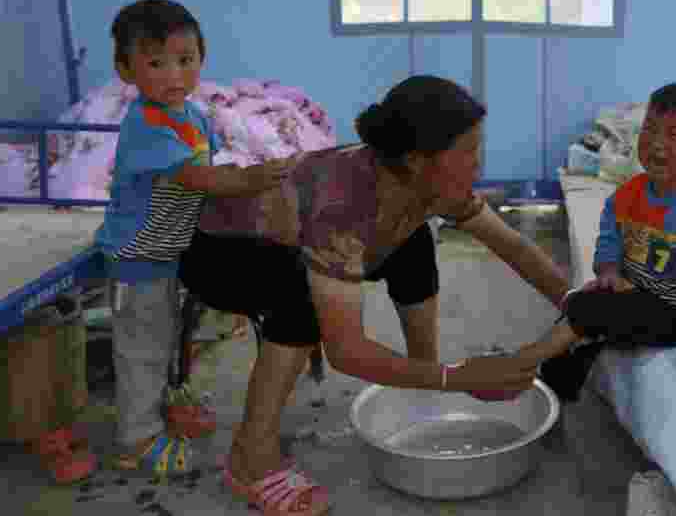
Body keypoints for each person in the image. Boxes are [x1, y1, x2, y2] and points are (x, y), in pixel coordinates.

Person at [181, 74, 575, 515]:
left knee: (414, 240)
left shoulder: (430, 184)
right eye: (467, 151)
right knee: (300, 299)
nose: (479, 163)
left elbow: (513, 246)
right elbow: (347, 353)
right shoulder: (344, 206)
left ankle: (424, 376)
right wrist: (462, 377)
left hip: (303, 243)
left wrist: (574, 302)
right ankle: (250, 457)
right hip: (220, 254)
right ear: (417, 160)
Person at [93, 0, 295, 477]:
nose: (174, 75)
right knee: (141, 350)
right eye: (156, 63)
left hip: (169, 250)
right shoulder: (146, 124)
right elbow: (198, 177)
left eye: (185, 60)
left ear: (202, 59)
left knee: (164, 338)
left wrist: (251, 183)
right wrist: (251, 179)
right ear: (125, 70)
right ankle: (137, 439)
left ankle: (163, 406)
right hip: (137, 256)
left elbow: (215, 164)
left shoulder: (194, 116)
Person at [531, 82, 676, 402]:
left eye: (673, 135)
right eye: (649, 130)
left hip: (675, 315)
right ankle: (554, 385)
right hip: (632, 292)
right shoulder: (629, 193)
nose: (656, 143)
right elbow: (609, 237)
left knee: (590, 310)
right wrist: (608, 271)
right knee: (580, 305)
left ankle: (524, 363)